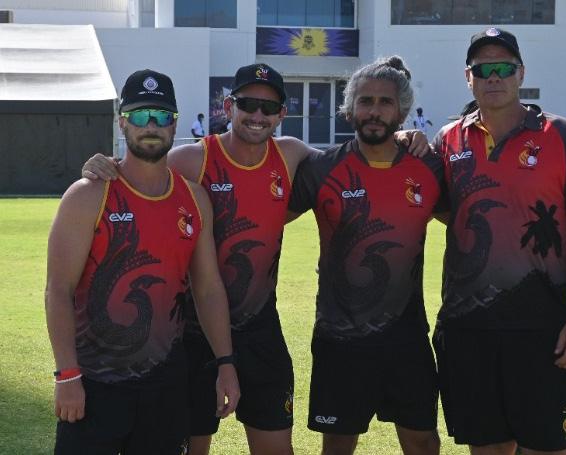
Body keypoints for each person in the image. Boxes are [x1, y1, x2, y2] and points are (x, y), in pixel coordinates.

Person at [82, 62, 430, 455]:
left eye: (269, 108)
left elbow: (353, 160)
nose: (258, 115)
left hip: (260, 330)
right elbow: (137, 172)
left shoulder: (292, 155)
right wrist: (103, 164)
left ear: (282, 114)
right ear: (228, 107)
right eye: (248, 104)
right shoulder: (193, 160)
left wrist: (401, 136)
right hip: (192, 333)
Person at [430, 27, 566, 455]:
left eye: (504, 68)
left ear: (521, 73)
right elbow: (444, 208)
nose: (493, 77)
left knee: (547, 449)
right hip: (468, 328)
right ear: (468, 78)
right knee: (487, 450)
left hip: (543, 328)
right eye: (482, 69)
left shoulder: (563, 136)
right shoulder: (447, 140)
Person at [45, 69, 239, 455]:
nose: (151, 125)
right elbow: (58, 290)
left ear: (175, 124)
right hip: (94, 383)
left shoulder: (195, 199)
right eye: (139, 115)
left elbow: (208, 288)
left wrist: (226, 363)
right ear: (122, 122)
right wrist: (67, 375)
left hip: (164, 383)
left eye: (162, 115)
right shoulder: (88, 195)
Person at [288, 56, 445, 455]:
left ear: (401, 111)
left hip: (406, 336)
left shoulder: (429, 167)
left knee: (423, 442)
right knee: (338, 446)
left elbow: (472, 220)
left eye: (385, 102)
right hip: (340, 338)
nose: (374, 111)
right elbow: (268, 218)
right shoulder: (321, 168)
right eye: (365, 101)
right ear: (350, 108)